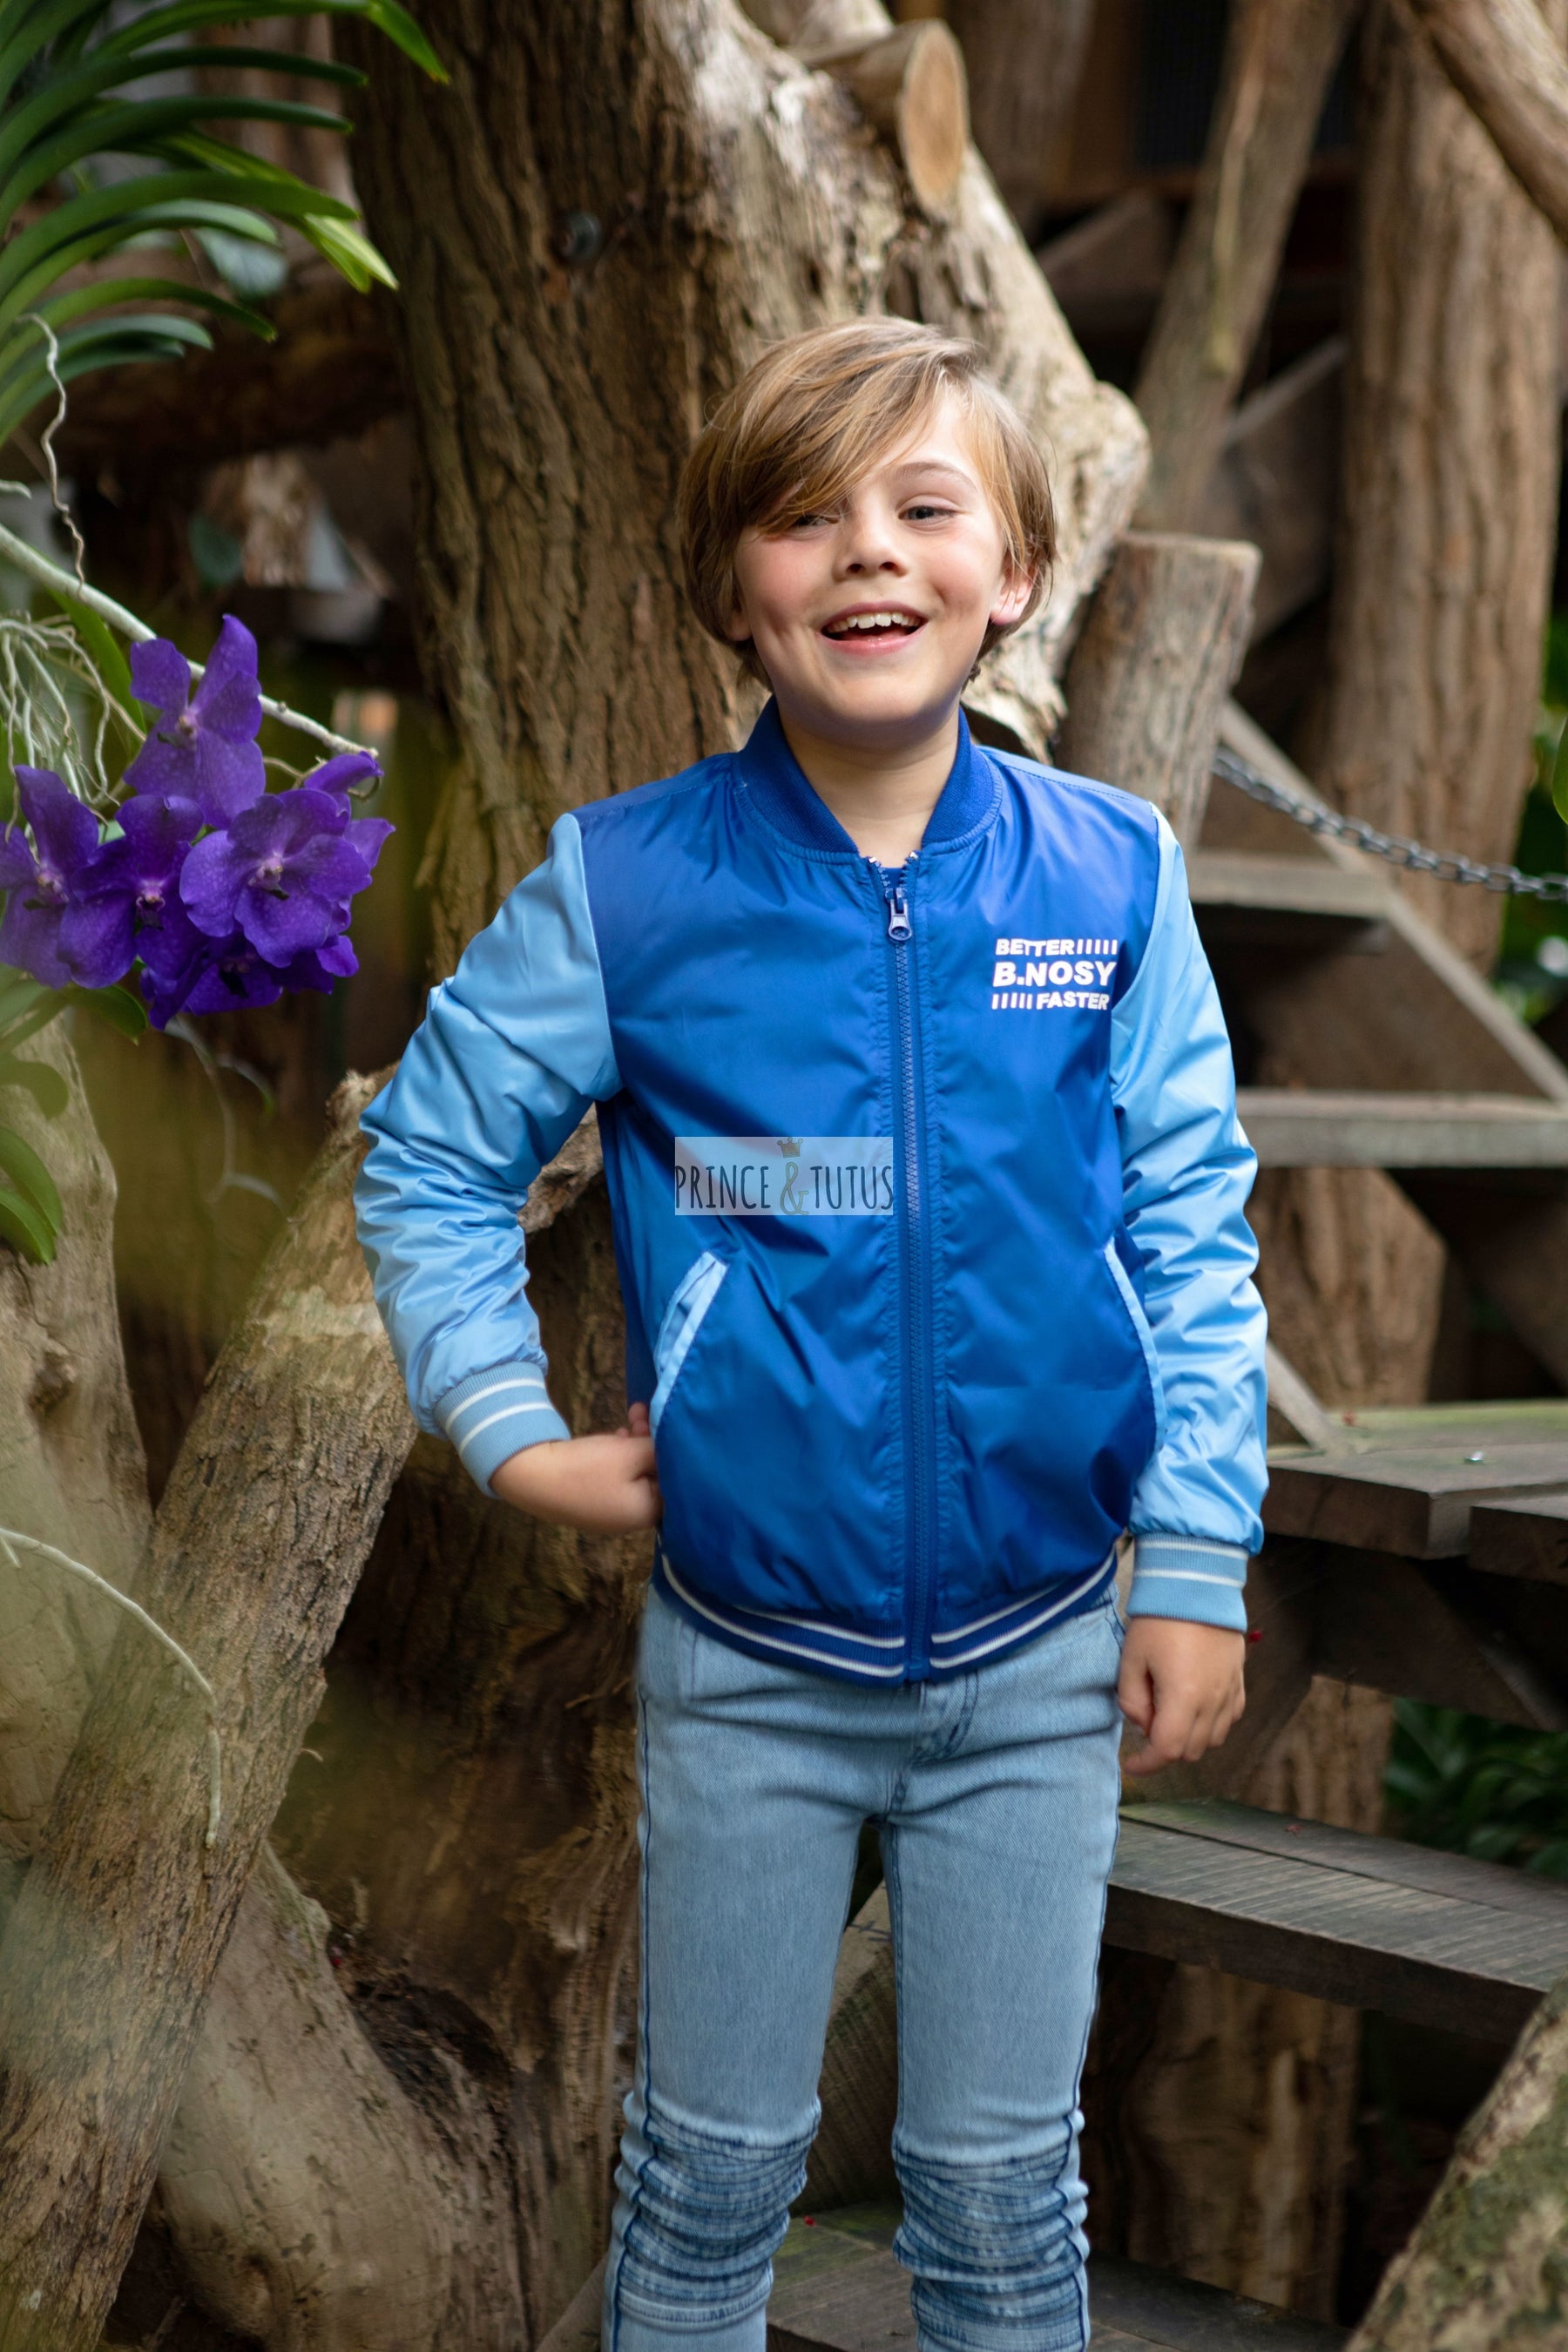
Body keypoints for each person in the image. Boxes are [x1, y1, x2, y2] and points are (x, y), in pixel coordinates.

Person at [355, 317, 1267, 2352]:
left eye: (925, 507)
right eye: (804, 516)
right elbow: (429, 1158)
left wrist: (1198, 1556)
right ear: (734, 592)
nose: (869, 550)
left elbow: (1194, 1230)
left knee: (1005, 2201)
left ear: (1012, 572)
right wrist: (506, 1427)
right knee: (706, 2181)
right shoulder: (630, 888)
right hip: (749, 1659)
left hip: (1045, 1649)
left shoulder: (1110, 878)